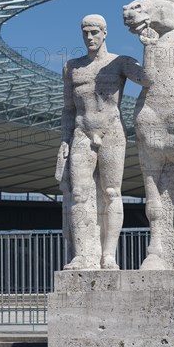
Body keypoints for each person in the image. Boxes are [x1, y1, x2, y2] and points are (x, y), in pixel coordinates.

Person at [56, 14, 149, 270]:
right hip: (82, 132)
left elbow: (148, 79)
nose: (89, 37)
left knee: (111, 192)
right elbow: (67, 110)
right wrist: (64, 141)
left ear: (105, 32)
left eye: (95, 32)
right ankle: (83, 254)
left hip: (111, 133)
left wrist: (148, 43)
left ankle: (108, 255)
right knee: (79, 194)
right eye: (85, 32)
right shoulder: (72, 67)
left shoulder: (119, 62)